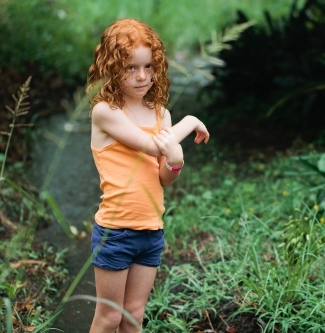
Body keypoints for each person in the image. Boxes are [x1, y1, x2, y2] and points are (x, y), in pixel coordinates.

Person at [86, 18, 209, 333]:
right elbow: (154, 147)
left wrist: (177, 161)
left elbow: (164, 176)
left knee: (133, 316)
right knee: (109, 317)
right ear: (112, 67)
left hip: (151, 231)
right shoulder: (106, 112)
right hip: (116, 232)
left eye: (148, 66)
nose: (142, 76)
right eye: (130, 68)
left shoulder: (161, 114)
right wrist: (191, 120)